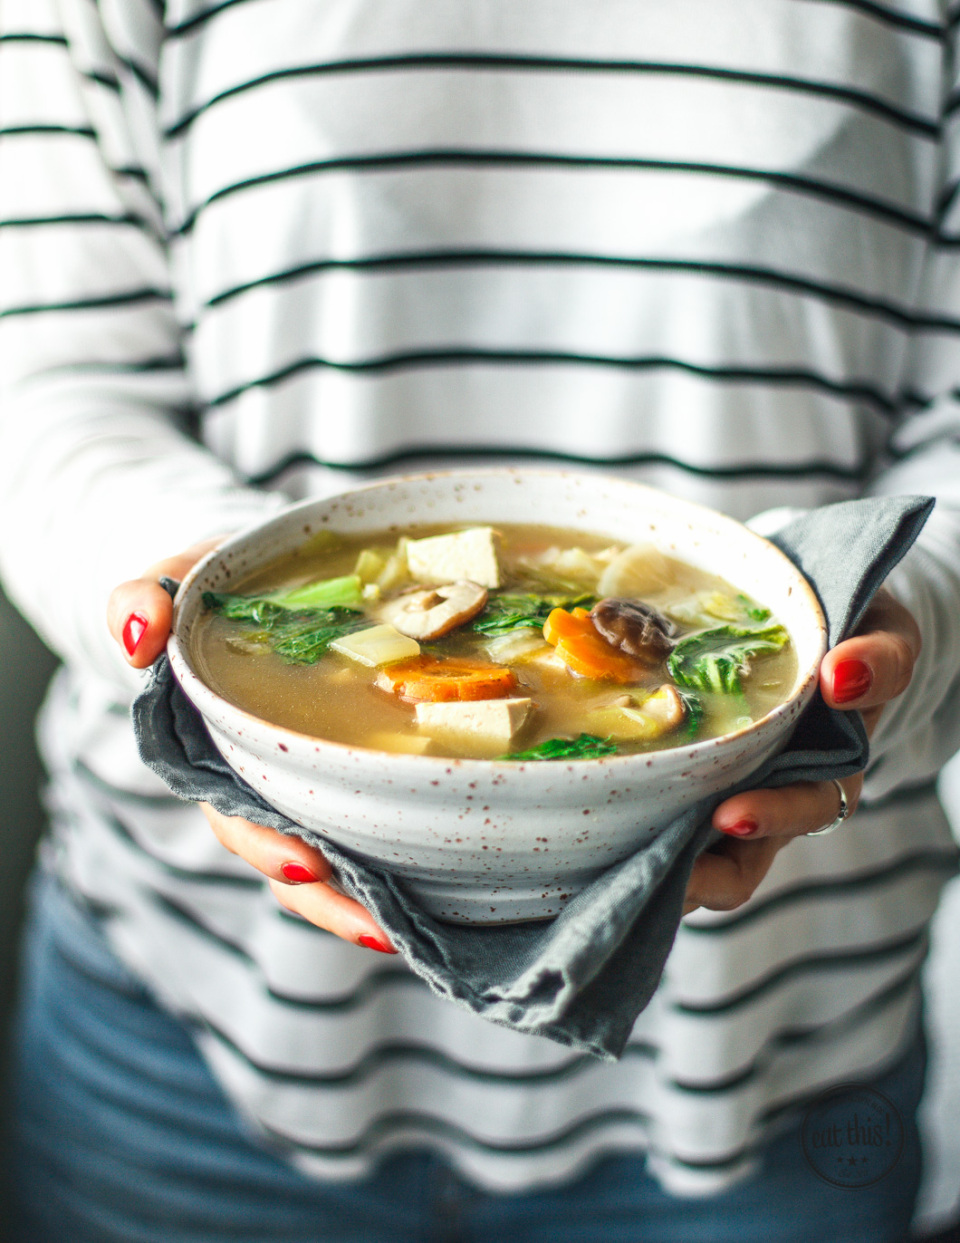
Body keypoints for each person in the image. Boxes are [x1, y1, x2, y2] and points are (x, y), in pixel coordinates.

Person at [2, 1, 960, 1239]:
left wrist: (901, 614)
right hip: (192, 1023)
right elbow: (48, 373)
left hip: (767, 1044)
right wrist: (202, 614)